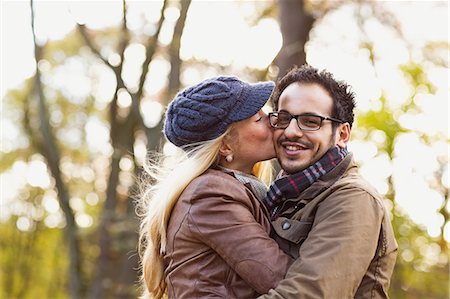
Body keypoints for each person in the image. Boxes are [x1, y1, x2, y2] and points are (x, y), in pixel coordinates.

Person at [137, 76, 293, 299]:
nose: (272, 120)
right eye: (258, 118)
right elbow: (281, 276)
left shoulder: (237, 187)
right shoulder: (211, 195)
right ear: (225, 145)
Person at [258, 65, 398, 298]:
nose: (291, 131)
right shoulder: (279, 196)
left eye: (310, 121)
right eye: (284, 118)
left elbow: (308, 295)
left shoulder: (353, 198)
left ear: (342, 135)